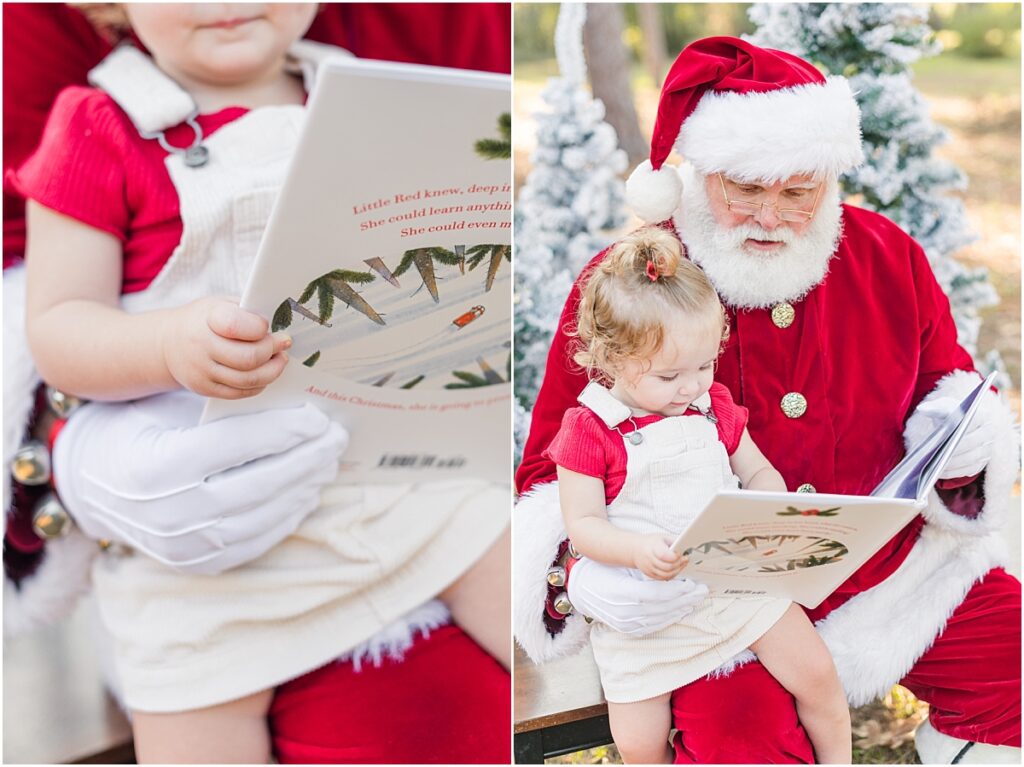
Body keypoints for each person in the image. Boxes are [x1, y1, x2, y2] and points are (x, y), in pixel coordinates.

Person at [6, 3, 509, 763]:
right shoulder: (94, 126)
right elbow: (59, 327)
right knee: (191, 717)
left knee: (534, 607)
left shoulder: (368, 99)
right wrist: (166, 345)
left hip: (395, 484)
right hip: (207, 539)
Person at [514, 36, 1020, 764]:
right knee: (741, 740)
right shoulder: (634, 283)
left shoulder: (887, 257)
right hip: (708, 602)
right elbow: (546, 476)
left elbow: (954, 393)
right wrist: (584, 575)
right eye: (745, 189)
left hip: (892, 575)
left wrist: (963, 443)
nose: (772, 216)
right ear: (699, 169)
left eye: (797, 190)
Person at [551, 226, 851, 764]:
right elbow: (583, 524)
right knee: (638, 740)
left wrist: (765, 503)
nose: (692, 386)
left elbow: (758, 469)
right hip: (648, 612)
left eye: (705, 365)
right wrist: (635, 550)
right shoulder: (590, 428)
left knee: (819, 676)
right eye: (670, 376)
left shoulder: (710, 405)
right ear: (612, 359)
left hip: (735, 588)